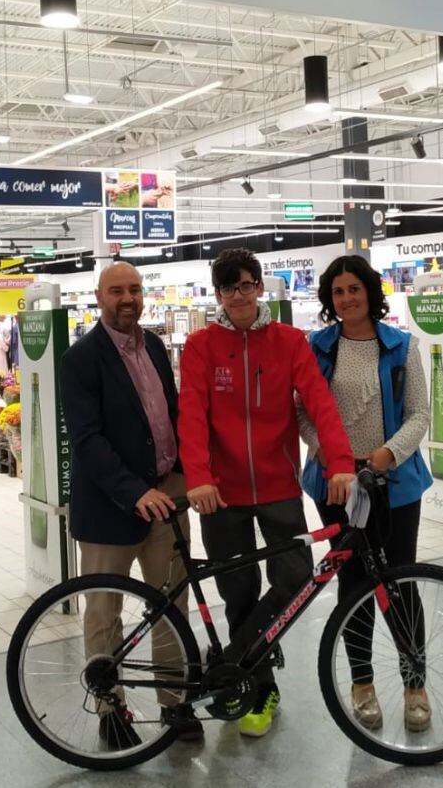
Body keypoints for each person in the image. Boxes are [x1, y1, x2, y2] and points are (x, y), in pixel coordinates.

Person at [178, 248, 355, 739]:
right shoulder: (200, 346)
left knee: (296, 579)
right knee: (238, 592)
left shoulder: (290, 342)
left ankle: (235, 655)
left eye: (247, 285)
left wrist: (339, 462)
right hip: (220, 493)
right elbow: (191, 415)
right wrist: (198, 475)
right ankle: (258, 684)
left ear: (260, 288)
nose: (239, 295)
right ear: (218, 294)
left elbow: (318, 402)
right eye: (229, 287)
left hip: (279, 487)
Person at [60, 262, 203, 749]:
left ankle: (174, 700)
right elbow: (87, 439)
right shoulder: (81, 358)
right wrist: (132, 490)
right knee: (104, 611)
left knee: (171, 603)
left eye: (135, 290)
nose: (128, 298)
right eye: (117, 290)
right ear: (99, 298)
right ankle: (110, 706)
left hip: (166, 497)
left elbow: (169, 415)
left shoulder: (157, 347)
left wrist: (185, 474)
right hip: (110, 507)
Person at [298, 254, 433, 734]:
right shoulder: (318, 348)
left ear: (370, 293)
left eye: (354, 289)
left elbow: (420, 413)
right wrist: (333, 458)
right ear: (329, 299)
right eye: (338, 291)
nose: (347, 298)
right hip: (335, 485)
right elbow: (303, 414)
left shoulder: (401, 346)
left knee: (399, 583)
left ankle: (415, 684)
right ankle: (362, 683)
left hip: (393, 484)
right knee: (352, 585)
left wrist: (386, 455)